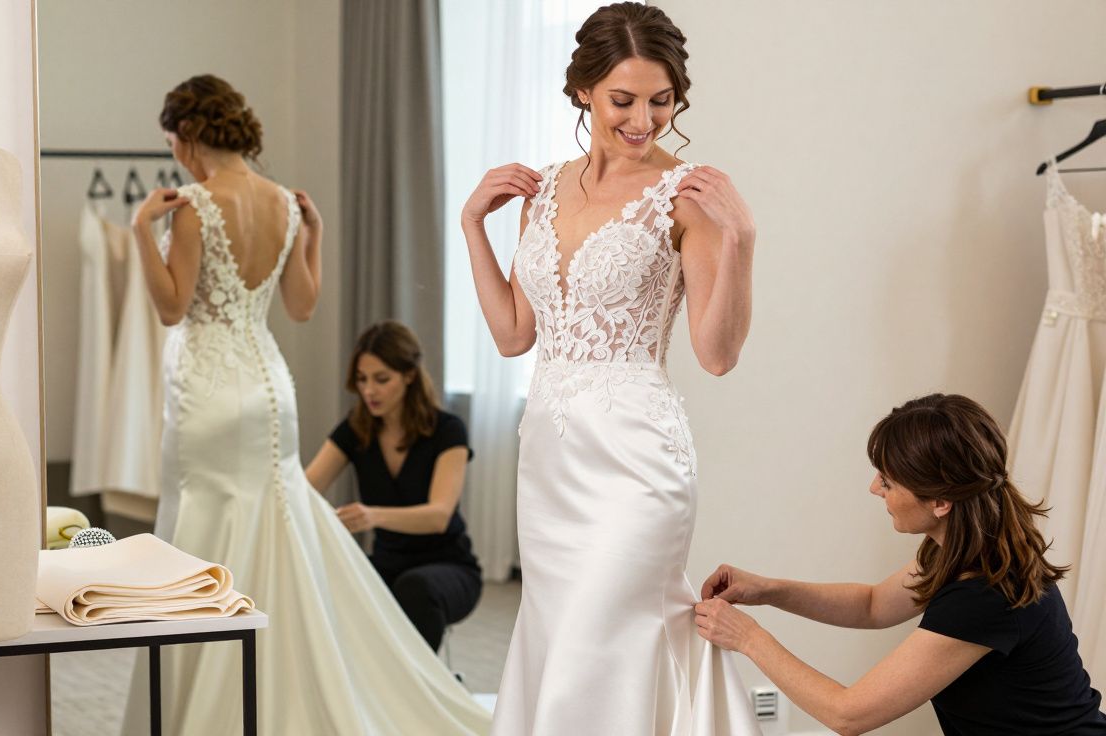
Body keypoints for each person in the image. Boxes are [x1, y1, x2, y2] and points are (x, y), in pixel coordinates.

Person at [123, 74, 489, 735]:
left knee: (206, 521)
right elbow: (300, 306)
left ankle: (206, 702)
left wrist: (140, 233)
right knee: (274, 522)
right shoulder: (282, 203)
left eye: (173, 141)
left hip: (209, 388)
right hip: (269, 386)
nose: (175, 154)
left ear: (188, 136)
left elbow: (173, 307)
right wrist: (312, 237)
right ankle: (284, 680)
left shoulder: (193, 205)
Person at [460, 3, 762, 733]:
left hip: (637, 458)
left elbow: (717, 355)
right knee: (561, 634)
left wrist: (742, 240)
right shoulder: (543, 191)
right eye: (623, 100)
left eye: (662, 101)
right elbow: (513, 336)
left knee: (607, 638)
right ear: (583, 91)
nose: (643, 120)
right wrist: (472, 224)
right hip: (550, 460)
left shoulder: (685, 199)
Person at [695, 394, 1106, 735]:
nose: (874, 488)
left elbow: (848, 714)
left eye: (888, 481)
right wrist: (768, 590)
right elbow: (873, 605)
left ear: (941, 502)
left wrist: (748, 638)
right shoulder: (967, 548)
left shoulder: (984, 594)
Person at [306, 320, 484, 652]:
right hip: (388, 563)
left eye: (381, 379)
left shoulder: (448, 430)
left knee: (414, 588)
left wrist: (371, 516)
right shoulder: (355, 429)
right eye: (362, 379)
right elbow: (304, 489)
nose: (369, 391)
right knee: (326, 581)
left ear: (409, 375)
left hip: (449, 567)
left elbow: (438, 516)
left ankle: (420, 681)